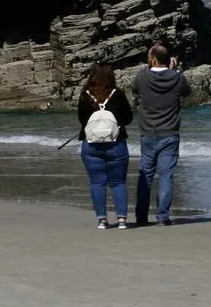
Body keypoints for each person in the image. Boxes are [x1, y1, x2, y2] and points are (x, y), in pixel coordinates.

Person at [132, 43, 190, 226]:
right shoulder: (177, 78)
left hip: (148, 132)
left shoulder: (142, 76)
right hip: (170, 132)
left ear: (152, 59)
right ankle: (162, 216)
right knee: (166, 175)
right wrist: (175, 70)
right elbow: (187, 93)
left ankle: (141, 216)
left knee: (146, 174)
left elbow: (135, 89)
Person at [77, 64, 134, 229]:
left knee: (97, 183)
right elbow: (128, 117)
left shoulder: (85, 95)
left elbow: (82, 120)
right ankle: (122, 219)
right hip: (116, 144)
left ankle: (102, 219)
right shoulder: (117, 94)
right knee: (118, 182)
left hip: (91, 145)